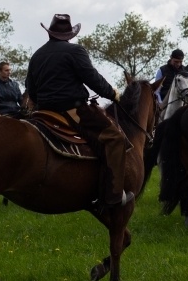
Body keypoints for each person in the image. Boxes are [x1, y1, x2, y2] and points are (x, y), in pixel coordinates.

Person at [25, 14, 132, 209]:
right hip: (73, 110)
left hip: (43, 112)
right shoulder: (75, 51)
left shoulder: (37, 55)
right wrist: (112, 94)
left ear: (50, 32)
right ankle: (113, 197)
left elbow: (31, 89)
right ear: (69, 35)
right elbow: (92, 78)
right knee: (115, 139)